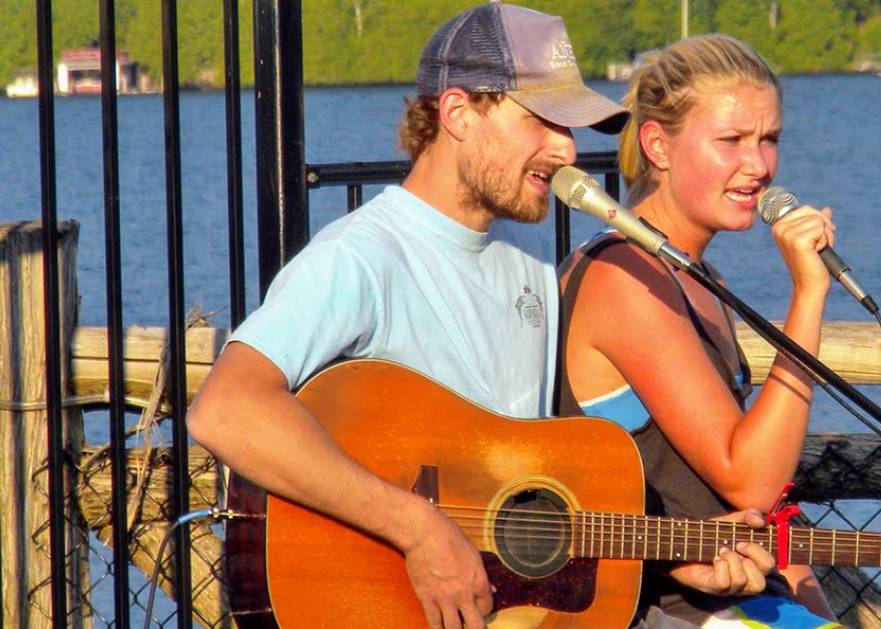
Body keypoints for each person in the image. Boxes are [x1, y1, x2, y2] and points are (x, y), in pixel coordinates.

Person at [188, 4, 775, 628]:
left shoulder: (528, 275)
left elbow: (521, 491)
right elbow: (227, 410)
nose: (565, 149)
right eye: (543, 122)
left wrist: (662, 558)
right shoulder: (357, 258)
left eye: (570, 128)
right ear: (459, 114)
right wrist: (418, 529)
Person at [556, 34, 844, 628]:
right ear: (658, 144)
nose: (759, 166)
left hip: (737, 600)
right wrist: (809, 294)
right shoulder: (625, 275)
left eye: (769, 140)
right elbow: (750, 479)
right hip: (653, 609)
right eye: (731, 141)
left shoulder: (698, 275)